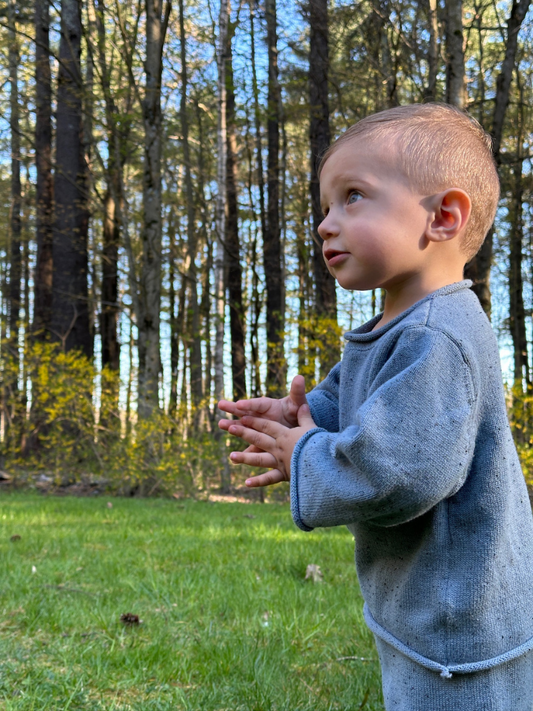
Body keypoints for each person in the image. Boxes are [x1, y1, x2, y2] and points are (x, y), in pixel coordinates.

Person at [218, 103, 533, 710]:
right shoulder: (402, 324)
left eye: (353, 196)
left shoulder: (435, 336)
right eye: (326, 205)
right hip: (433, 612)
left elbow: (402, 471)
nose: (325, 224)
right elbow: (366, 403)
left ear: (443, 217)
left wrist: (307, 456)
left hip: (460, 633)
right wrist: (305, 418)